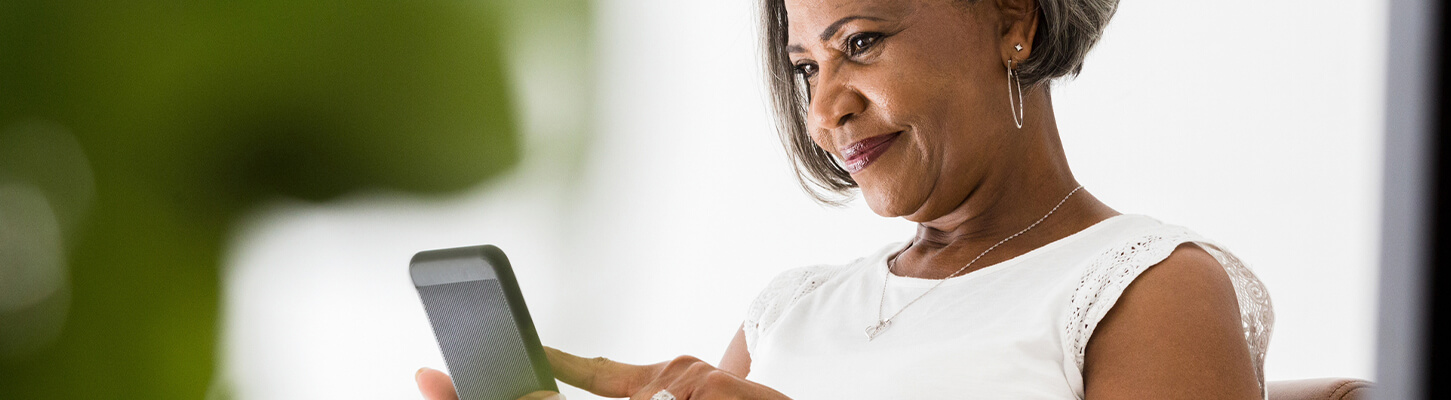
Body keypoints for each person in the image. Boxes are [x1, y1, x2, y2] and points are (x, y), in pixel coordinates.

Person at [418, 0, 1274, 398]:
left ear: (1015, 20)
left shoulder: (1148, 287)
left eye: (860, 44)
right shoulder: (791, 311)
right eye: (805, 68)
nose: (826, 109)